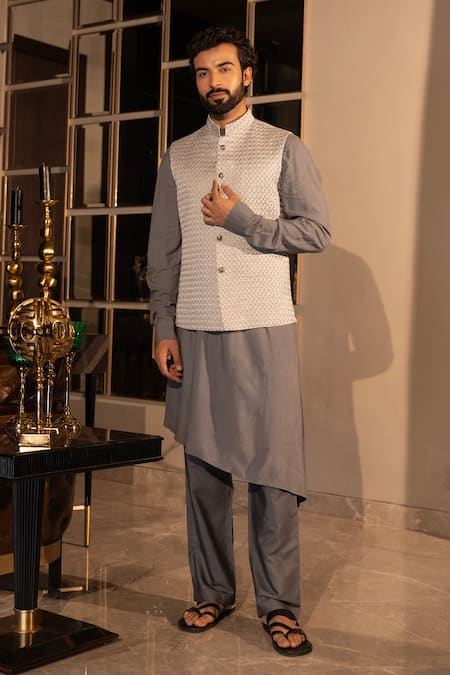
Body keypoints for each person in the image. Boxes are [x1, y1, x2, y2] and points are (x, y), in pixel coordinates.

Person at [146, 26, 330, 657]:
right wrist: (162, 326)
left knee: (273, 475)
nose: (213, 81)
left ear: (247, 75)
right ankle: (213, 592)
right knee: (203, 470)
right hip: (195, 329)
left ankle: (279, 607)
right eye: (202, 72)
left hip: (264, 327)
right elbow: (163, 252)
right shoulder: (179, 155)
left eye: (224, 69)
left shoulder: (282, 147)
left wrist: (244, 221)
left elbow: (315, 232)